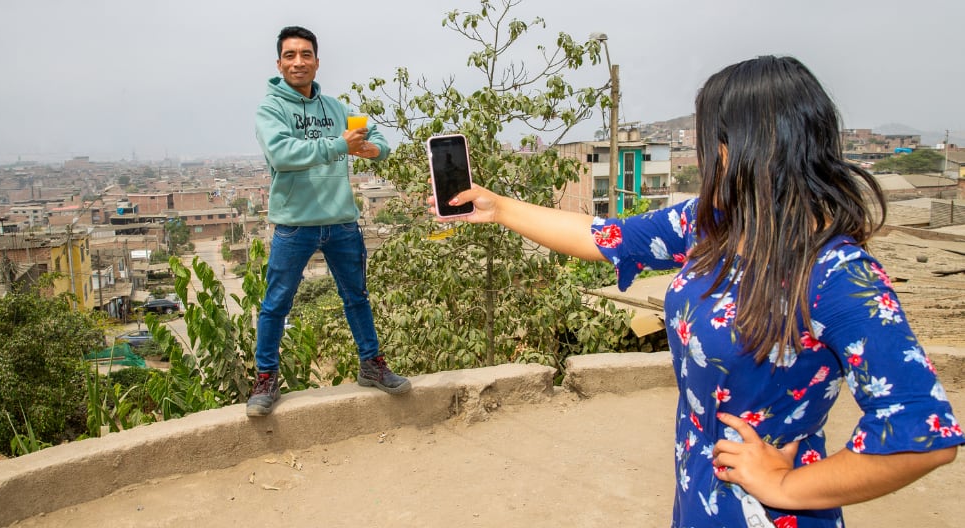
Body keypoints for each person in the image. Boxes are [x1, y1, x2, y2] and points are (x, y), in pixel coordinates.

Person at [432, 56, 962, 527]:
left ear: (748, 148)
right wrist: (498, 208)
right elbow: (604, 238)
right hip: (697, 499)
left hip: (767, 512)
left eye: (712, 141)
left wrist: (785, 485)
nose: (708, 157)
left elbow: (922, 432)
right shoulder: (712, 226)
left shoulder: (836, 272)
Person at [248, 26, 411, 417]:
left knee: (356, 297)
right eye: (290, 55)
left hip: (340, 221)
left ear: (317, 62)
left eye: (306, 54)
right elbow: (283, 154)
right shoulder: (271, 109)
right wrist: (341, 145)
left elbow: (380, 143)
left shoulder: (336, 108)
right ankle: (266, 377)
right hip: (294, 223)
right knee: (276, 304)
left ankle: (371, 364)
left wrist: (370, 149)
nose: (298, 62)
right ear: (279, 63)